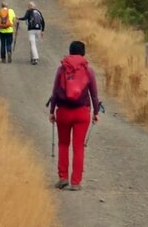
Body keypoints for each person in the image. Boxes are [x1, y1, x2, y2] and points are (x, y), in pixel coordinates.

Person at [48, 41, 101, 191]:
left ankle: (63, 177)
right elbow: (94, 95)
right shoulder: (88, 71)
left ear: (70, 52)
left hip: (63, 112)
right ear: (83, 53)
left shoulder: (61, 69)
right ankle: (76, 182)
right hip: (82, 112)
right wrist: (96, 113)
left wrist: (52, 111)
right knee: (79, 147)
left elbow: (54, 93)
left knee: (63, 144)